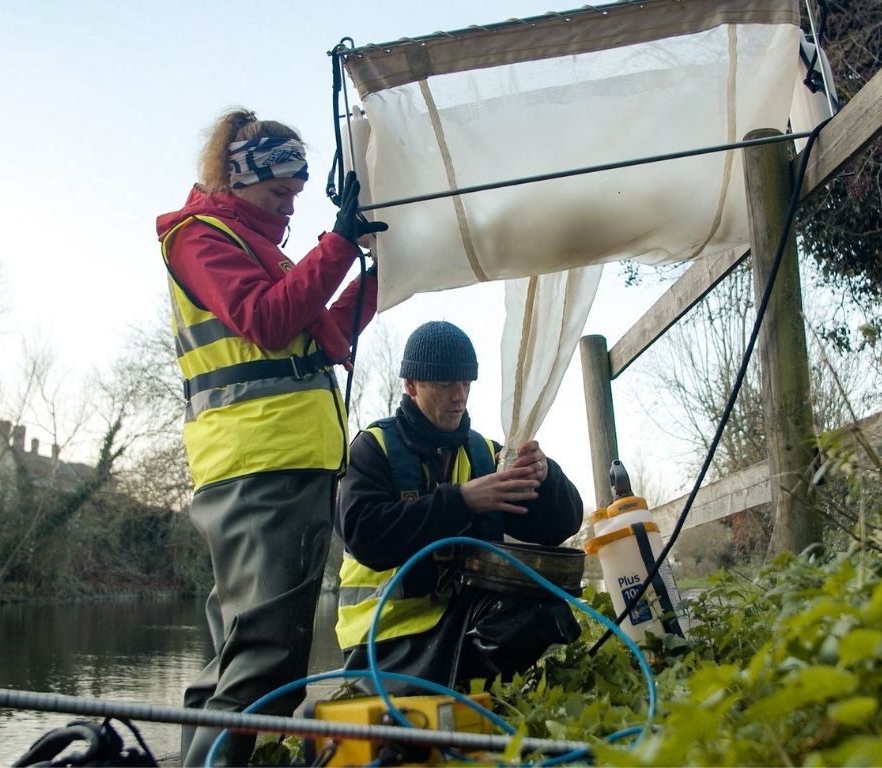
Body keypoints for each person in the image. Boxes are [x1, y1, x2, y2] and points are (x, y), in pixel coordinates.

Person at [155, 108, 386, 767]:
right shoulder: (199, 238)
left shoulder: (262, 251)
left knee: (237, 653)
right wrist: (336, 246)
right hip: (260, 465)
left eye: (297, 197)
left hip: (275, 463)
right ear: (237, 178)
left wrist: (374, 270)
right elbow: (265, 319)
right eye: (279, 193)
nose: (289, 209)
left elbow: (325, 334)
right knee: (265, 659)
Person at [334, 321, 584, 693]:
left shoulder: (487, 453)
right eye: (445, 384)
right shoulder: (372, 449)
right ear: (411, 386)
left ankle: (470, 689)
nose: (459, 396)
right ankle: (448, 690)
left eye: (466, 383)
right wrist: (463, 500)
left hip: (460, 623)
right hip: (381, 637)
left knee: (545, 607)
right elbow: (364, 536)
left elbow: (561, 524)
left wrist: (546, 477)